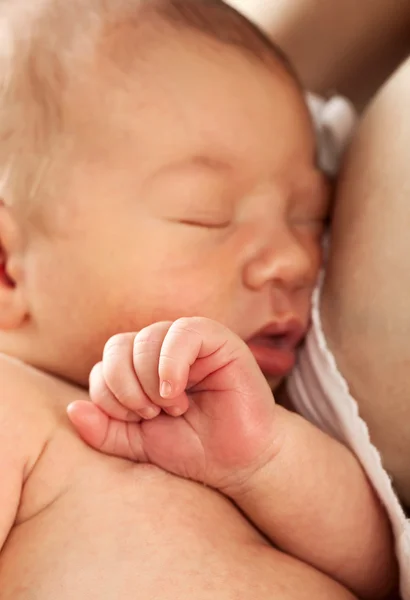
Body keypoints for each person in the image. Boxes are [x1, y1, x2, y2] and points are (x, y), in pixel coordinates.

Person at [0, 1, 371, 598]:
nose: (296, 260)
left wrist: (261, 460)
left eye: (310, 217)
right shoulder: (15, 402)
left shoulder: (269, 417)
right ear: (7, 272)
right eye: (207, 215)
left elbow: (377, 568)